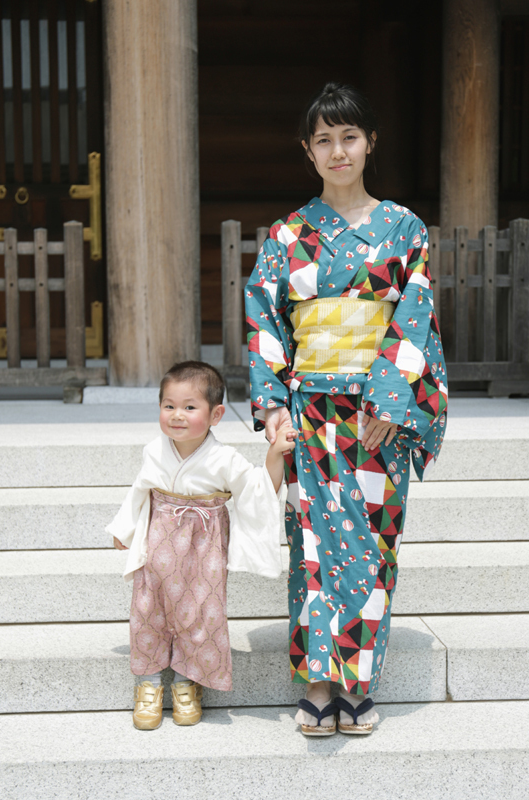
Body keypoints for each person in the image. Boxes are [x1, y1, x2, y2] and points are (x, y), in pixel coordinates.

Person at [245, 83, 448, 737]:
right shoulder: (288, 234)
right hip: (308, 413)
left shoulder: (403, 229)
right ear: (307, 151)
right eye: (324, 140)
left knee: (369, 549)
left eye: (349, 137)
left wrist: (394, 397)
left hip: (374, 415)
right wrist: (272, 403)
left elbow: (414, 315)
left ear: (369, 144)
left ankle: (359, 685)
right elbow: (265, 321)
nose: (338, 151)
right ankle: (320, 684)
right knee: (309, 548)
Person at [107, 361, 294, 730]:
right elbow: (140, 490)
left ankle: (186, 682)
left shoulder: (223, 458)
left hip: (203, 545)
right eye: (169, 406)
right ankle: (147, 685)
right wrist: (125, 529)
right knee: (148, 608)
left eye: (190, 407)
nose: (177, 415)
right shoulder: (154, 450)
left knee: (200, 610)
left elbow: (258, 491)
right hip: (158, 540)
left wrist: (274, 455)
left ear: (216, 414)